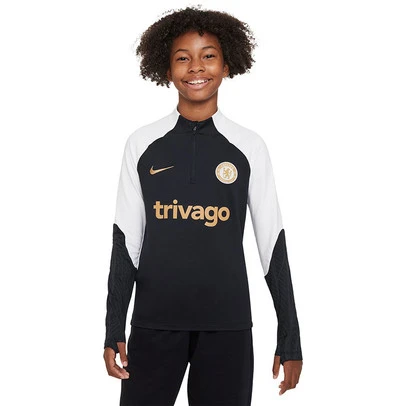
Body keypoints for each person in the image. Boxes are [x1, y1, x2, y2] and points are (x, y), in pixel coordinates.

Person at [103, 5, 303, 406]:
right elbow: (126, 244)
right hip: (154, 324)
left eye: (208, 55)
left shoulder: (249, 147)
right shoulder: (142, 144)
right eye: (183, 58)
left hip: (227, 327)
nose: (196, 67)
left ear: (226, 65)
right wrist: (114, 330)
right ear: (166, 69)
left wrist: (290, 336)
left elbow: (272, 245)